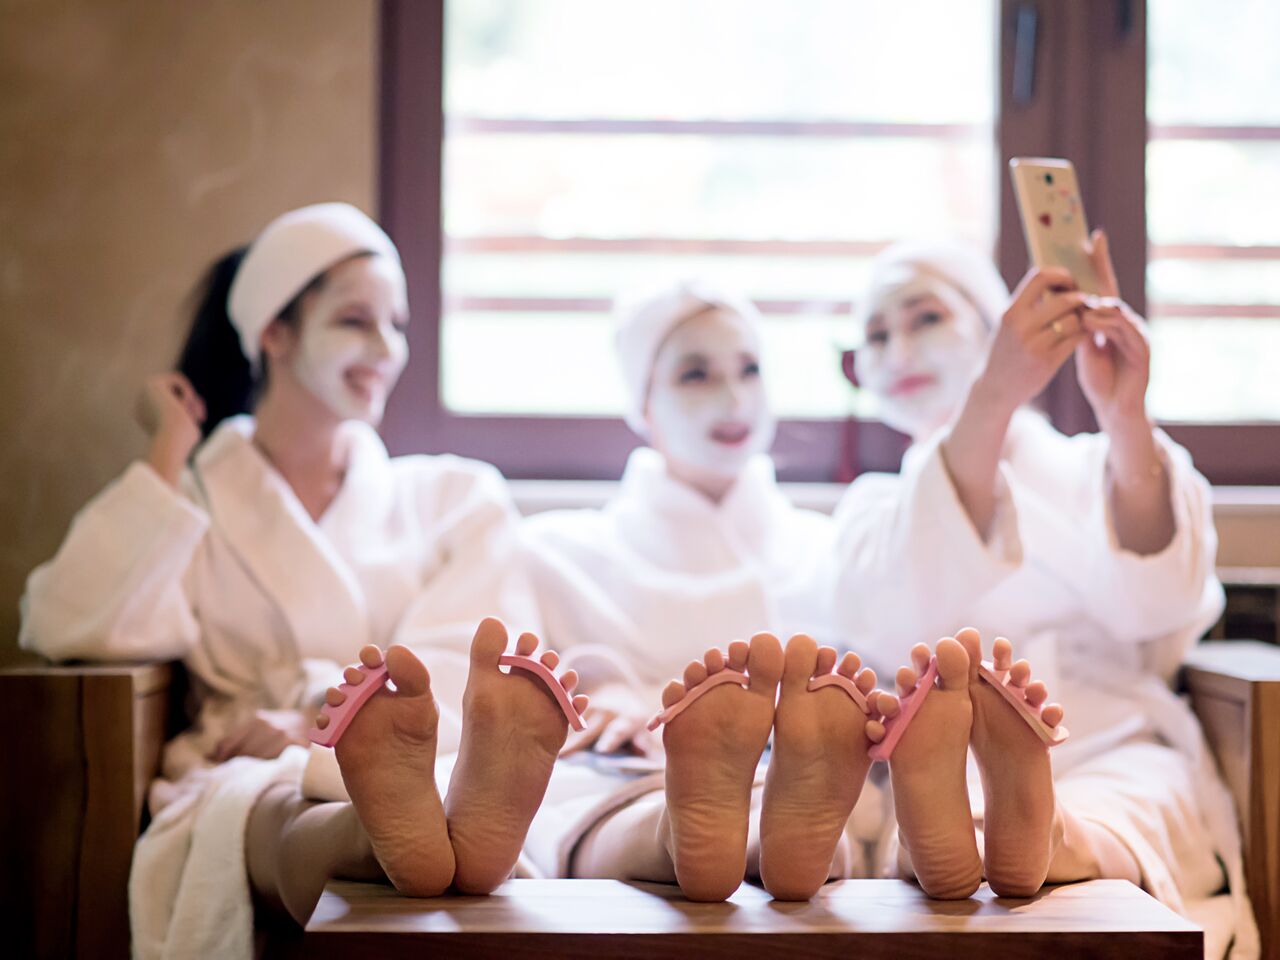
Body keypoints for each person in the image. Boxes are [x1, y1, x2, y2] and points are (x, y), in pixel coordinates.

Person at [19, 203, 559, 958]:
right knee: (274, 803)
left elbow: (466, 662)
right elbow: (70, 620)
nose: (387, 348)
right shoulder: (193, 502)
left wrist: (320, 712)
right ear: (273, 332)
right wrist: (171, 452)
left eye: (395, 325)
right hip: (247, 760)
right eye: (355, 321)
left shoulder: (452, 498)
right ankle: (385, 834)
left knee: (365, 787)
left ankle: (406, 816)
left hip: (431, 759)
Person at [832, 235, 1256, 957]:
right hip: (940, 754)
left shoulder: (1103, 464)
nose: (897, 351)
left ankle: (1052, 833)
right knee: (922, 809)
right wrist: (993, 395)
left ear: (993, 323)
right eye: (874, 337)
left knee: (1134, 793)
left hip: (1105, 734)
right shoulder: (874, 507)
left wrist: (1125, 416)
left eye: (924, 318)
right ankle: (987, 829)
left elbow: (1161, 606)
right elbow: (896, 616)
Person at [519, 280, 885, 900]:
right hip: (634, 772)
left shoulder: (831, 548)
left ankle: (787, 832)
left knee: (845, 797)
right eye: (696, 375)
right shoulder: (562, 552)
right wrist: (606, 695)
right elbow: (536, 689)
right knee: (586, 799)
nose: (734, 398)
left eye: (750, 370)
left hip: (807, 776)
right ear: (644, 404)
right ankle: (689, 830)